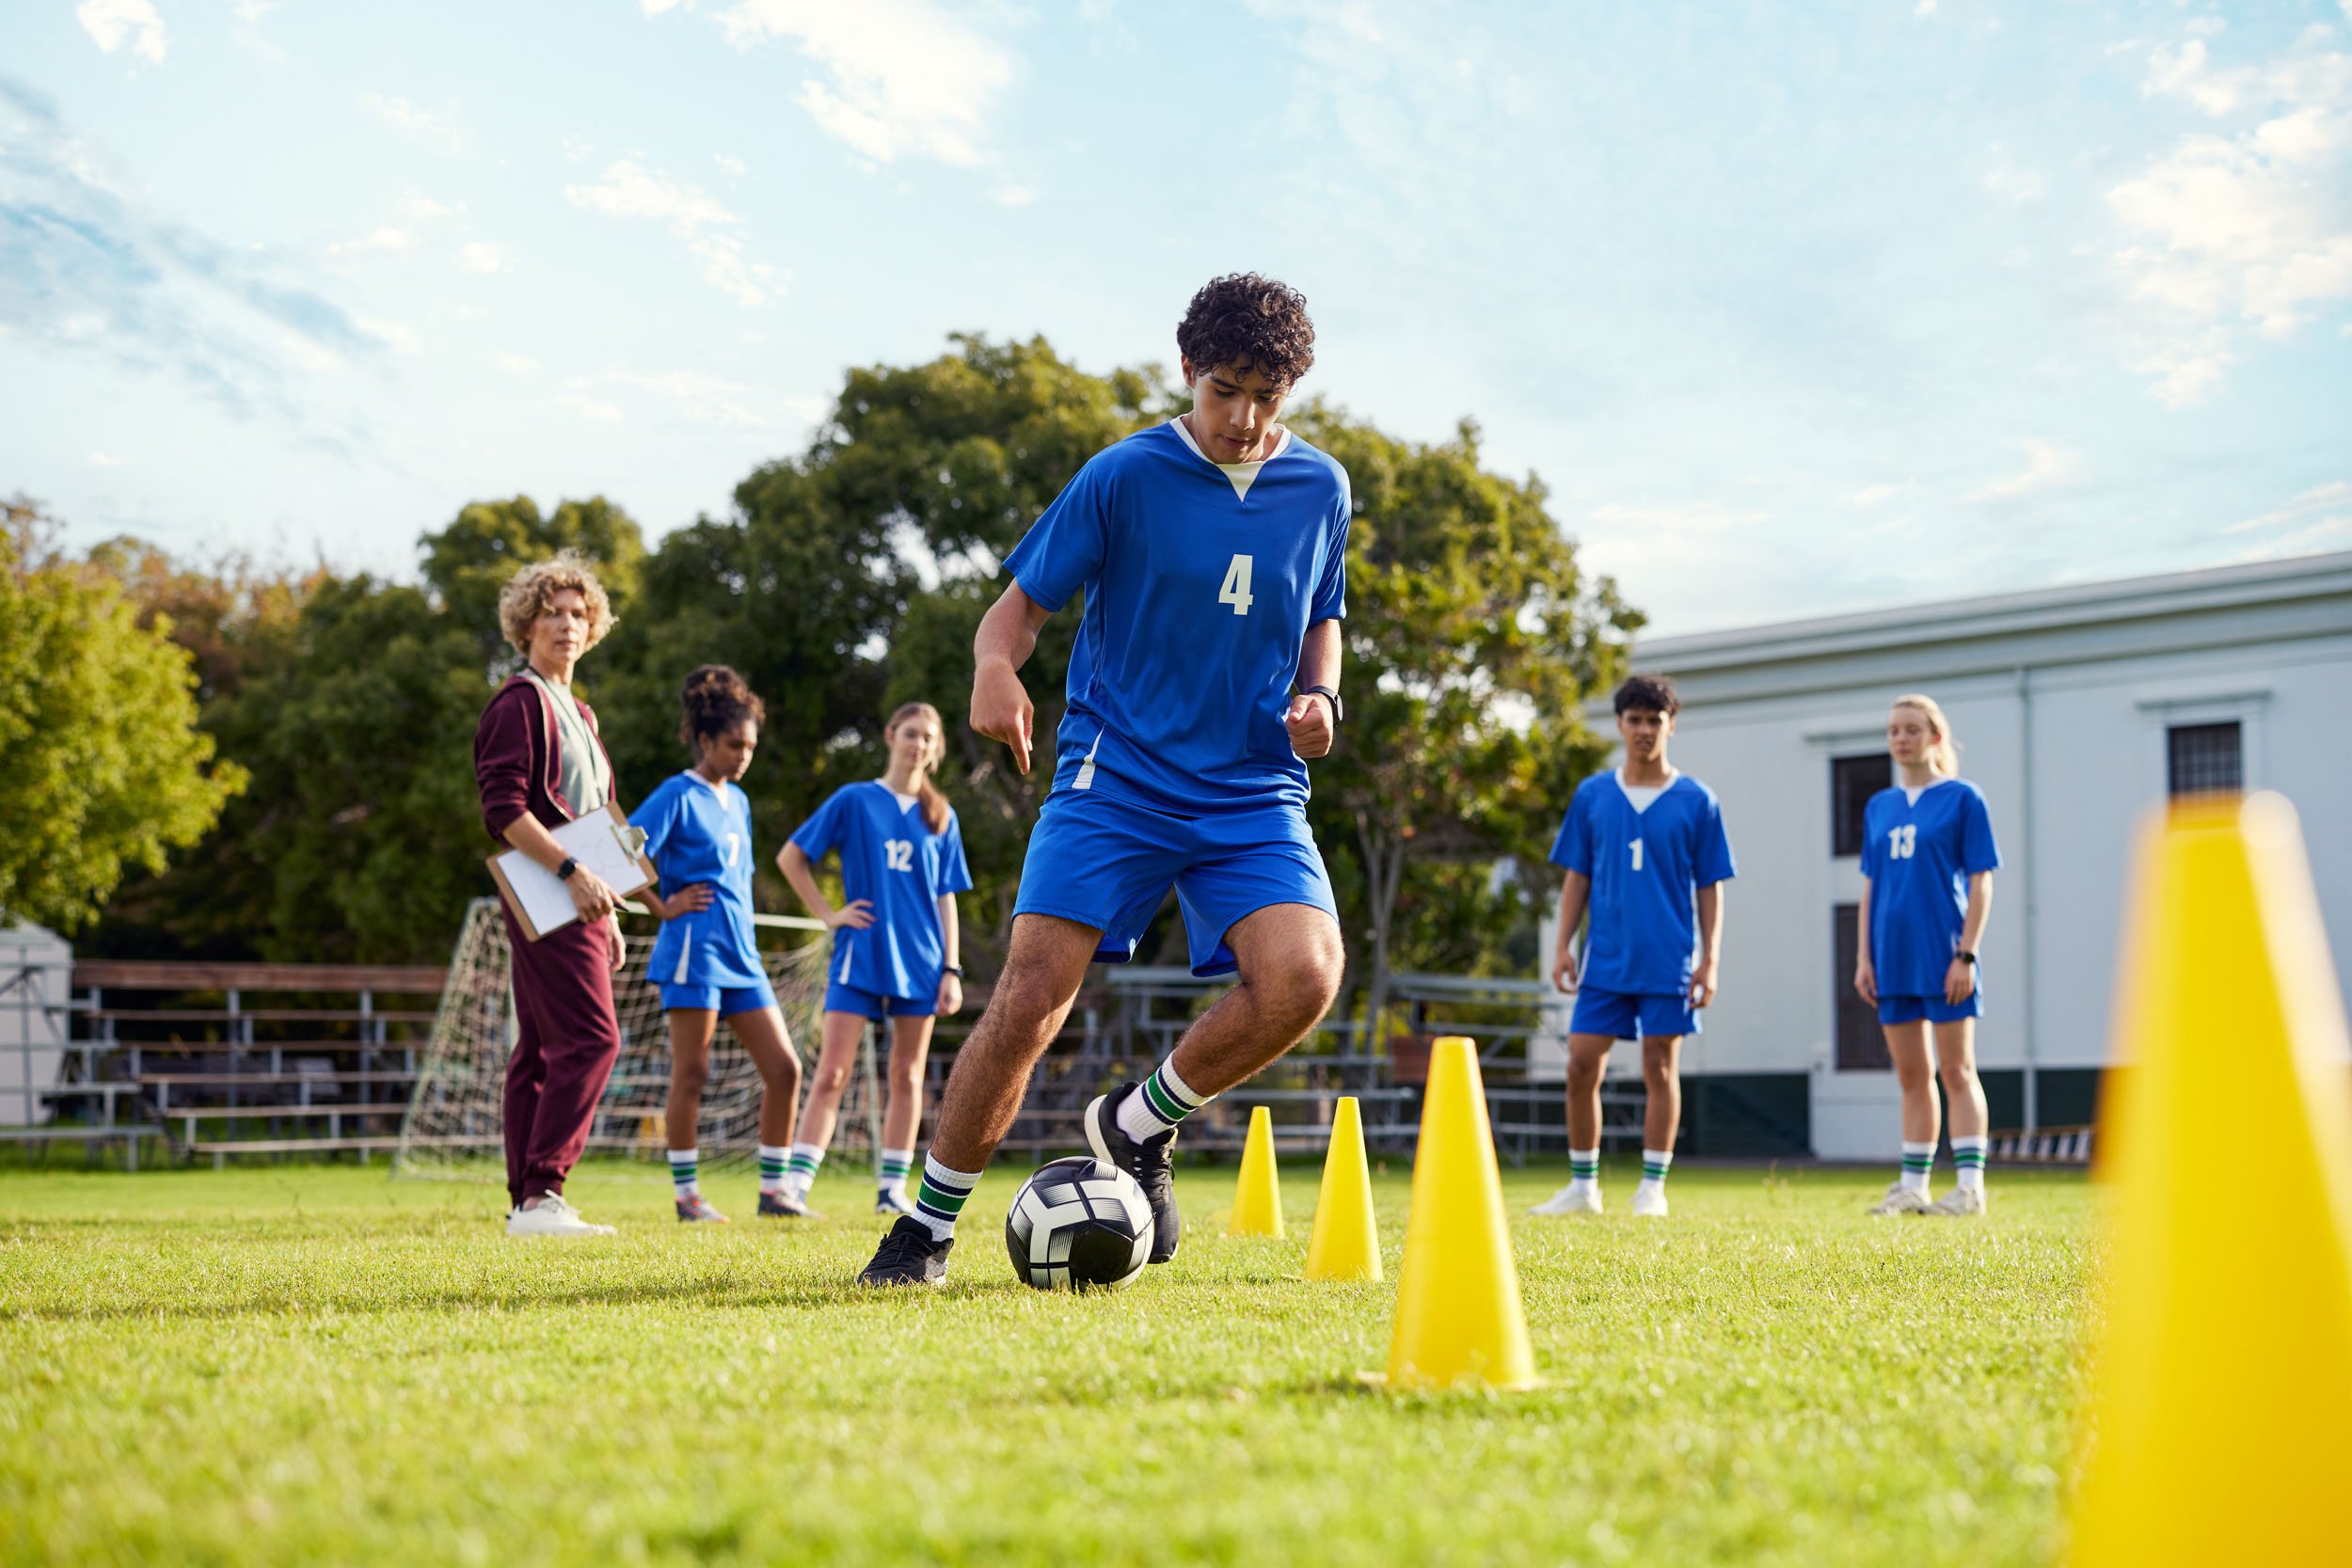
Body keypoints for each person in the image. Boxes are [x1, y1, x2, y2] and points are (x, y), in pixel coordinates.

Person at [857, 272, 1350, 1286]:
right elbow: (1016, 611)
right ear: (1185, 371)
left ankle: (1135, 1121)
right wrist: (996, 671)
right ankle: (925, 1226)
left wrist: (1322, 699)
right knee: (1033, 993)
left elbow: (1321, 616)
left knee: (1305, 977)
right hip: (1115, 771)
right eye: (1224, 390)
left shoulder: (1323, 488)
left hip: (1252, 788)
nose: (1245, 418)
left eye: (1268, 394)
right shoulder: (1122, 475)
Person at [1534, 673, 1735, 1220]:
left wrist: (1709, 960)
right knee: (1580, 1064)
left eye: (1655, 720)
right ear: (1620, 725)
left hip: (1670, 958)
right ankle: (1582, 1187)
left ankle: (1652, 1187)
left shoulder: (1698, 801)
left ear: (1671, 725)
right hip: (1606, 961)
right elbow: (1577, 876)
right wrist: (1562, 947)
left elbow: (1709, 887)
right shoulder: (1594, 794)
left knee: (1660, 1068)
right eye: (1635, 720)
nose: (1645, 730)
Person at [473, 552, 628, 1238]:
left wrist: (612, 901)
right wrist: (573, 874)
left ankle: (526, 1203)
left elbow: (601, 813)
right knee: (594, 1038)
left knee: (538, 1046)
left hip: (586, 895)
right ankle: (543, 1192)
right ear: (525, 625)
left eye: (578, 613)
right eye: (551, 612)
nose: (566, 623)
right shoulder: (519, 700)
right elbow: (503, 810)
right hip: (549, 888)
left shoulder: (582, 712)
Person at [774, 702, 973, 1217]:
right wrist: (827, 914)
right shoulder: (855, 800)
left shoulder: (941, 814)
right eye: (911, 734)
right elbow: (791, 857)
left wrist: (951, 968)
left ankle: (892, 1190)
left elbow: (946, 896)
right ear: (890, 736)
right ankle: (793, 1186)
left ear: (936, 749)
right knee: (833, 1072)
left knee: (907, 1075)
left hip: (922, 962)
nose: (918, 744)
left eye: (928, 738)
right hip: (859, 954)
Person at [630, 666, 810, 1223]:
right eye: (734, 744)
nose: (743, 755)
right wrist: (660, 904)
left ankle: (774, 1193)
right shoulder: (675, 794)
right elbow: (624, 847)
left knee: (784, 1069)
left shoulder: (739, 801)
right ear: (705, 740)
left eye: (751, 746)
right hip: (693, 951)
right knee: (694, 1072)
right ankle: (687, 1197)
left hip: (742, 955)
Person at [1857, 693, 2000, 1217]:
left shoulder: (1964, 798)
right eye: (1894, 730)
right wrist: (1863, 959)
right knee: (1911, 1076)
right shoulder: (1880, 806)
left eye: (1912, 729)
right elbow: (1870, 888)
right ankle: (1913, 1185)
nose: (1901, 738)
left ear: (1935, 737)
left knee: (1957, 1070)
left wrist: (1966, 954)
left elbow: (1982, 883)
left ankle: (1968, 1189)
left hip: (1945, 957)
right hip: (1892, 960)